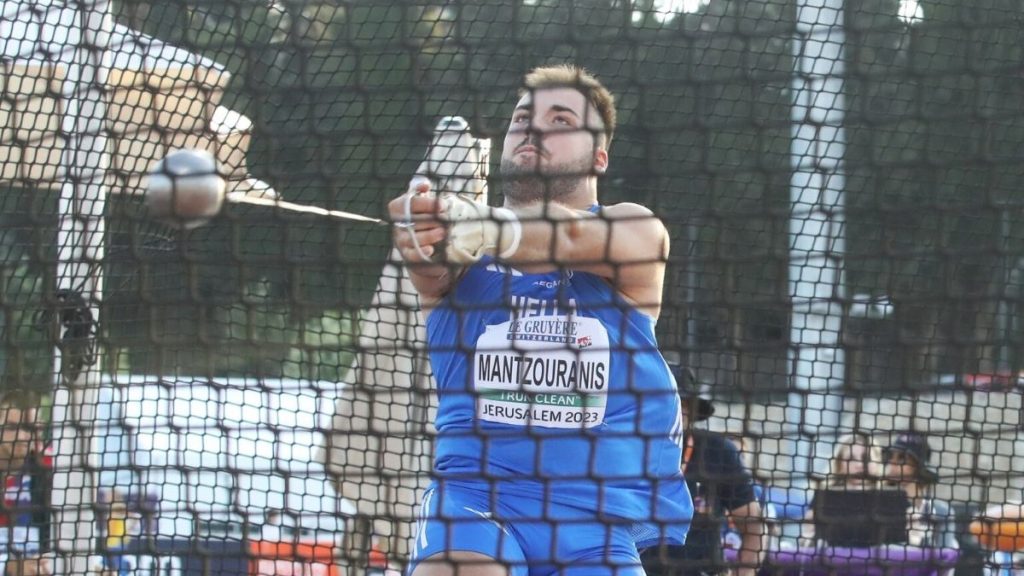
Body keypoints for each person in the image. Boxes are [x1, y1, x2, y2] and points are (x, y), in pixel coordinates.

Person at [388, 64, 691, 575]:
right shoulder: (461, 253)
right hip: (474, 503)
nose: (533, 128)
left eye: (560, 120)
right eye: (522, 118)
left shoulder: (634, 228)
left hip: (596, 524)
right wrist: (419, 229)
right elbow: (429, 263)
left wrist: (487, 227)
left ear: (598, 156)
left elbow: (569, 238)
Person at [640, 365, 766, 576]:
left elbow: (754, 528)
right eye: (664, 403)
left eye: (681, 404)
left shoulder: (718, 451)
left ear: (691, 410)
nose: (673, 412)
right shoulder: (627, 450)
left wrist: (744, 572)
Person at [800, 432, 885, 546]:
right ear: (839, 465)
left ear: (877, 461)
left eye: (866, 458)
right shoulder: (824, 497)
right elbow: (807, 537)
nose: (859, 464)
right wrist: (809, 538)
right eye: (851, 458)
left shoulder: (890, 497)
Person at [882, 432, 960, 552]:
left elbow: (946, 556)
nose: (892, 462)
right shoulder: (880, 507)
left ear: (918, 466)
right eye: (890, 456)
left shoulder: (941, 512)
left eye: (902, 457)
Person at [0, 390, 50, 576]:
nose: (22, 436)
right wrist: (8, 567)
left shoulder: (51, 474)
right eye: (11, 427)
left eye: (29, 428)